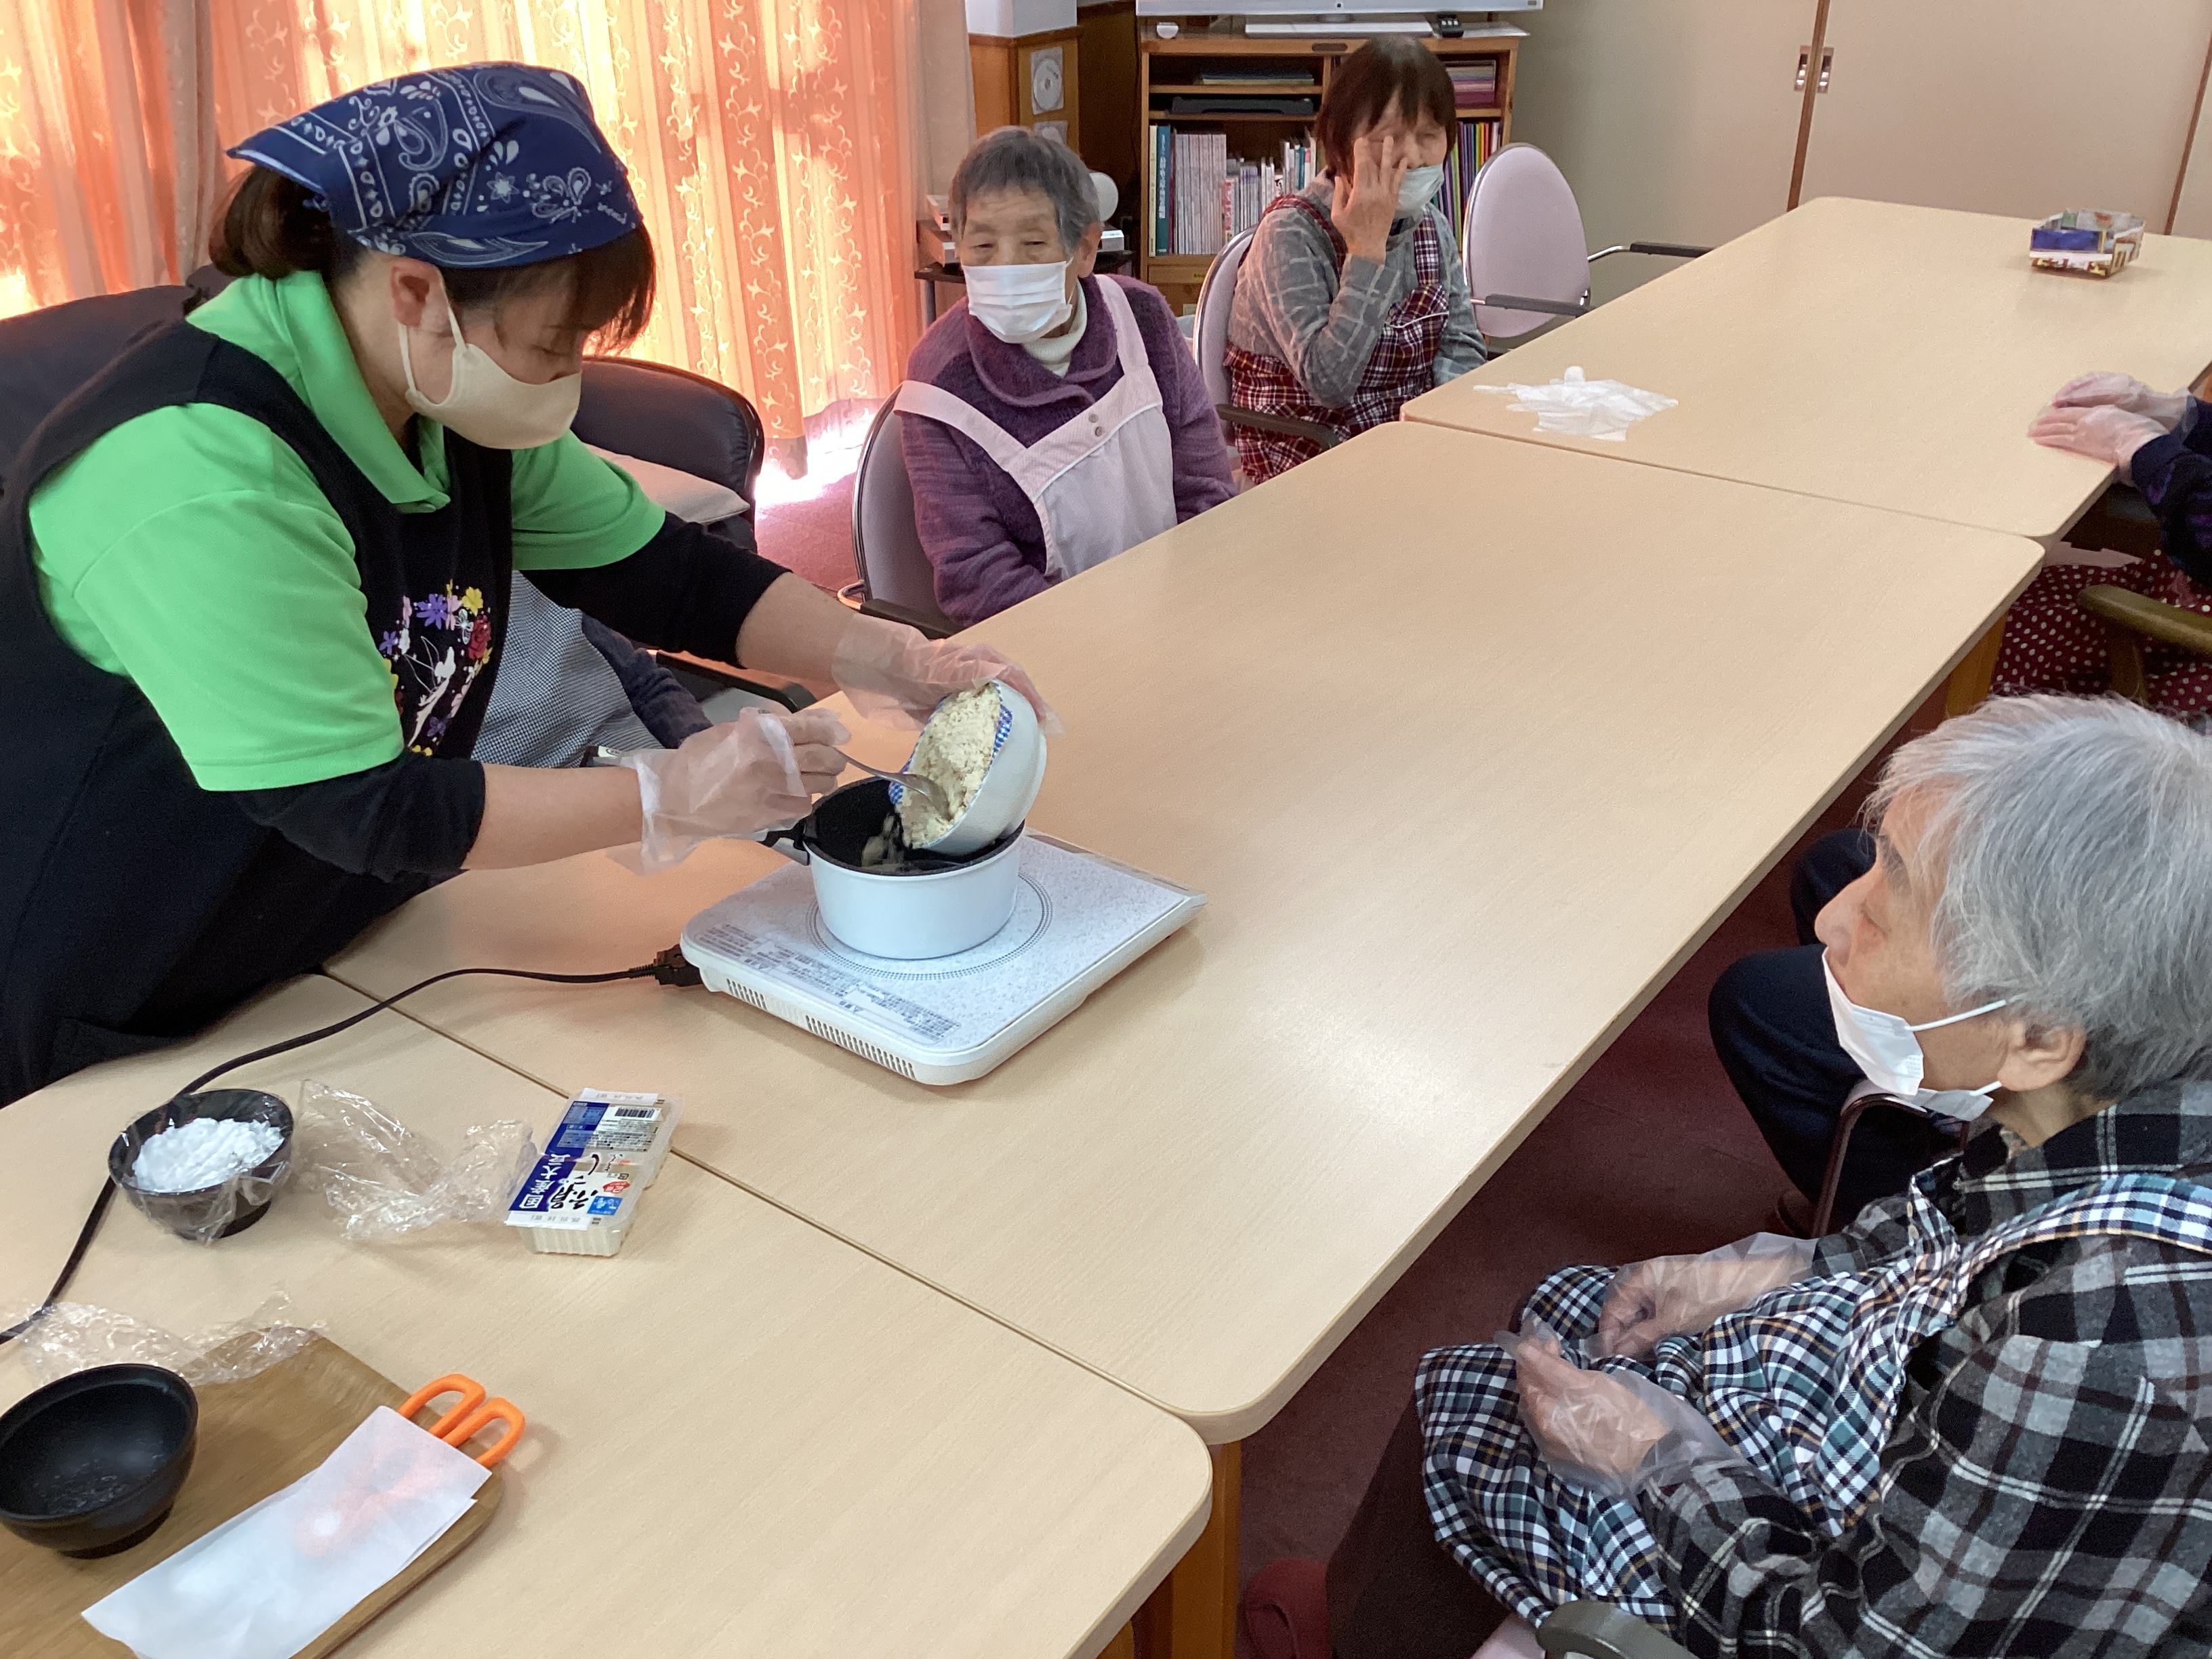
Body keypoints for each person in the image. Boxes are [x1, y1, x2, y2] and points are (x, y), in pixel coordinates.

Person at [1, 64, 1048, 1105]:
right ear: (418, 292)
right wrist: (665, 792)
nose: (568, 380)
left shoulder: (440, 398)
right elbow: (362, 806)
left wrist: (889, 656)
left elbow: (669, 576)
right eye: (553, 344)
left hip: (340, 934)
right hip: (120, 974)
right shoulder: (198, 475)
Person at [1246, 695, 2212, 1658]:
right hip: (1924, 1449)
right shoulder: (2096, 1108)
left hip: (1839, 1600)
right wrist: (1772, 1272)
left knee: (1472, 1405)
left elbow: (1849, 1640)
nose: (1835, 914)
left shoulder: (2100, 1347)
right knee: (1571, 1310)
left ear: (2040, 1036)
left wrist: (1655, 1461)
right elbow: (1962, 1226)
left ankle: (1363, 1631)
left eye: (1894, 904)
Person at [898, 127, 1233, 626]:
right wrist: (1097, 640)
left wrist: (1187, 602)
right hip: (1054, 643)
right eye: (984, 246)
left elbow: (1204, 482)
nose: (1006, 266)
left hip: (1181, 608)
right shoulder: (940, 384)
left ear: (1085, 250)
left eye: (1033, 243)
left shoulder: (1140, 316)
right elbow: (978, 575)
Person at [1224, 37, 1485, 486]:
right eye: (1388, 140)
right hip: (1306, 458)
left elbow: (1462, 346)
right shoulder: (1290, 233)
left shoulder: (1432, 227)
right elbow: (1329, 383)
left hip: (1401, 446)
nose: (1414, 157)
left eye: (1428, 137)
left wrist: (1445, 438)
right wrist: (1366, 253)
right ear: (1342, 142)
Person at [1994, 371, 2212, 714]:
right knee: (2022, 591)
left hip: (2188, 647)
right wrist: (2182, 417)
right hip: (2179, 589)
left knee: (1978, 643)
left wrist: (2146, 449)